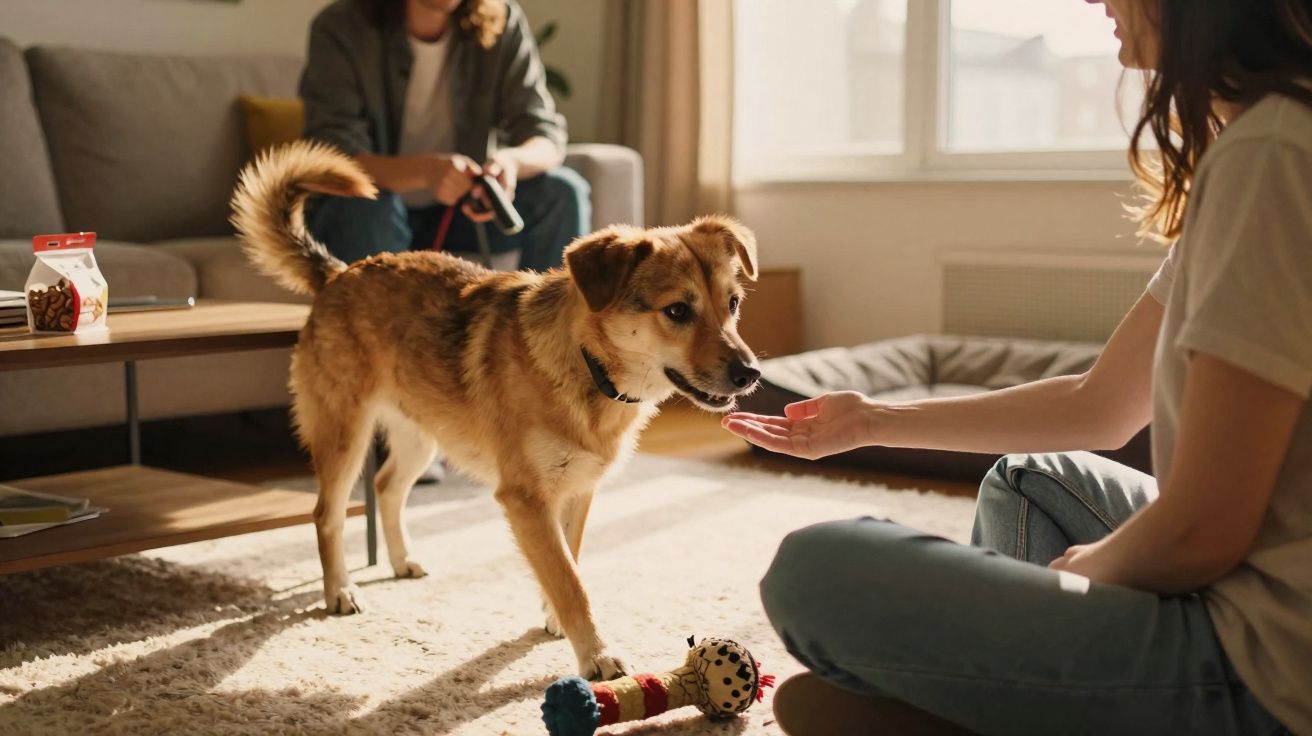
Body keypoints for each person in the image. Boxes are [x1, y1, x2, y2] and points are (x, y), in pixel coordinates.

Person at [724, 1, 1312, 734]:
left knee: (815, 571)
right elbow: (1100, 405)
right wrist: (873, 419)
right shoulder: (1267, 142)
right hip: (1249, 585)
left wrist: (1086, 572)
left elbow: (1204, 529)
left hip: (1266, 671)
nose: (1098, 1)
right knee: (1029, 482)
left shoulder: (1273, 155)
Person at [298, 0, 588, 272]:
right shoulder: (341, 27)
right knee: (372, 212)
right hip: (364, 210)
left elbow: (545, 135)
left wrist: (510, 162)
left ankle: (544, 324)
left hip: (460, 214)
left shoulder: (501, 19)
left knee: (562, 193)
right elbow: (336, 157)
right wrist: (427, 171)